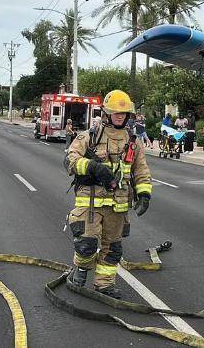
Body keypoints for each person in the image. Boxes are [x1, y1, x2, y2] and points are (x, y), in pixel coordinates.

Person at [64, 89, 152, 299]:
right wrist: (91, 167)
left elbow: (141, 170)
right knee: (86, 245)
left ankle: (104, 284)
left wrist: (145, 194)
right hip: (91, 203)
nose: (120, 116)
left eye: (124, 113)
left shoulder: (133, 141)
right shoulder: (90, 136)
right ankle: (81, 269)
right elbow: (69, 160)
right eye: (116, 112)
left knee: (112, 249)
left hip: (118, 205)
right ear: (106, 113)